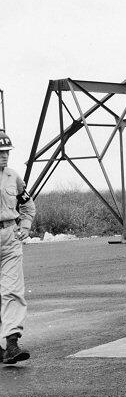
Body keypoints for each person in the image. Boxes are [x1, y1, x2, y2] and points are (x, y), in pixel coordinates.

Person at [0, 131, 36, 364]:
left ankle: (12, 344)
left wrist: (25, 224)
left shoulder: (13, 177)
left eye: (6, 152)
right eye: (0, 153)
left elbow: (27, 204)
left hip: (9, 238)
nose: (4, 157)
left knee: (12, 290)